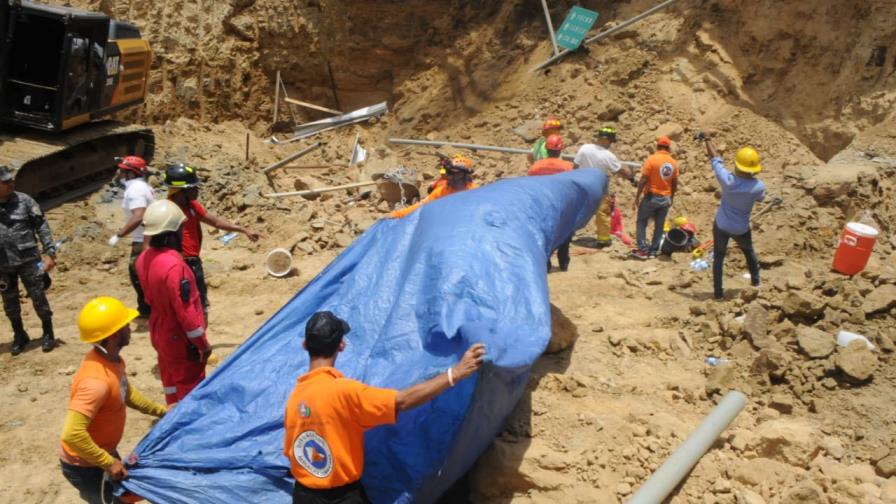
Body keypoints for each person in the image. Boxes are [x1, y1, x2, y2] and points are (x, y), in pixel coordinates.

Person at [283, 311, 486, 504]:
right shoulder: (345, 392)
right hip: (340, 497)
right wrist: (456, 373)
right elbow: (402, 401)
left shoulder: (295, 396)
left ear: (304, 345)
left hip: (303, 494)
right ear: (342, 345)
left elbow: (293, 451)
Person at [60, 296, 167, 503]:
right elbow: (72, 434)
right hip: (86, 467)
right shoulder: (95, 382)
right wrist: (108, 463)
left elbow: (127, 393)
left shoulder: (112, 361)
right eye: (125, 324)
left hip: (103, 453)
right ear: (115, 334)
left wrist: (162, 411)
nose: (130, 328)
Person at [135, 200, 212, 405]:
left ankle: (171, 419)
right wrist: (202, 344)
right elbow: (186, 313)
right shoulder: (176, 266)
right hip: (180, 339)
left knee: (170, 383)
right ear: (171, 233)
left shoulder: (142, 259)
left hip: (158, 331)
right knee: (190, 388)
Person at [163, 162, 260, 316]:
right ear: (181, 191)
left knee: (201, 304)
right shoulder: (167, 211)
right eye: (193, 188)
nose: (197, 190)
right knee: (188, 307)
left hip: (193, 263)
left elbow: (215, 222)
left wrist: (243, 229)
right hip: (180, 264)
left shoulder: (192, 206)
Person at [699, 132, 766, 300]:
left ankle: (718, 294)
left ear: (737, 166)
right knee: (749, 252)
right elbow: (761, 198)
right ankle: (756, 283)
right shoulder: (758, 187)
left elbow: (715, 159)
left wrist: (707, 140)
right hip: (741, 228)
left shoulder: (727, 180)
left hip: (721, 225)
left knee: (719, 258)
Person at [0, 164, 58, 354]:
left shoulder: (24, 201)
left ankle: (48, 333)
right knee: (10, 303)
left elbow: (41, 226)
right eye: (6, 182)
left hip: (29, 260)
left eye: (11, 180)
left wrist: (49, 252)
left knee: (38, 296)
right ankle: (19, 335)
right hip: (3, 265)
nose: (11, 184)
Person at [572, 127, 635, 247]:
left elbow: (575, 166)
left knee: (577, 210)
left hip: (582, 184)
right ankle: (603, 239)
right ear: (606, 140)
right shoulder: (607, 155)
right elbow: (620, 170)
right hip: (598, 186)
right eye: (611, 141)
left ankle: (568, 234)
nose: (611, 144)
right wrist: (632, 179)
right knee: (603, 212)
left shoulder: (585, 148)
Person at [107, 156, 154, 317]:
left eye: (122, 171)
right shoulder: (141, 187)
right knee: (141, 275)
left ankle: (149, 309)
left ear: (131, 173)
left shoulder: (135, 190)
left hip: (143, 239)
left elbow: (138, 216)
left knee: (138, 274)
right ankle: (146, 308)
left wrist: (119, 235)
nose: (119, 174)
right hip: (144, 236)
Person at [528, 135, 574, 271]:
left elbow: (531, 185)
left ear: (546, 149)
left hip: (543, 203)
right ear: (560, 150)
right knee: (565, 232)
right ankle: (563, 262)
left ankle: (546, 263)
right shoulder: (567, 166)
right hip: (562, 203)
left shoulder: (536, 166)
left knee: (545, 232)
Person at [388, 155, 479, 219]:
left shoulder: (475, 191)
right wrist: (397, 214)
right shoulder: (441, 192)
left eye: (451, 173)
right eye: (446, 172)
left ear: (462, 174)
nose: (447, 176)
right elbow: (419, 206)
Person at [632, 136, 679, 259]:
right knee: (659, 224)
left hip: (651, 197)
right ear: (668, 147)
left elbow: (643, 179)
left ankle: (643, 250)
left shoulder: (651, 160)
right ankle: (653, 250)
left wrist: (637, 197)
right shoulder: (673, 162)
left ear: (657, 146)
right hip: (666, 198)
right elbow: (674, 183)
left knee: (642, 222)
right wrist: (671, 197)